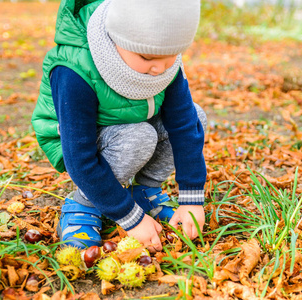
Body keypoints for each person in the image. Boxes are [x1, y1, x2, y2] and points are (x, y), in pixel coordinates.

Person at [31, 0, 207, 252]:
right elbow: (79, 156)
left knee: (196, 116)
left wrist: (192, 198)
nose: (159, 69)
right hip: (77, 140)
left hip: (129, 124)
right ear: (117, 40)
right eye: (147, 57)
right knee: (139, 135)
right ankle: (84, 203)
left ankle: (145, 193)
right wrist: (130, 219)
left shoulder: (163, 63)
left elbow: (184, 124)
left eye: (171, 57)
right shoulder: (74, 71)